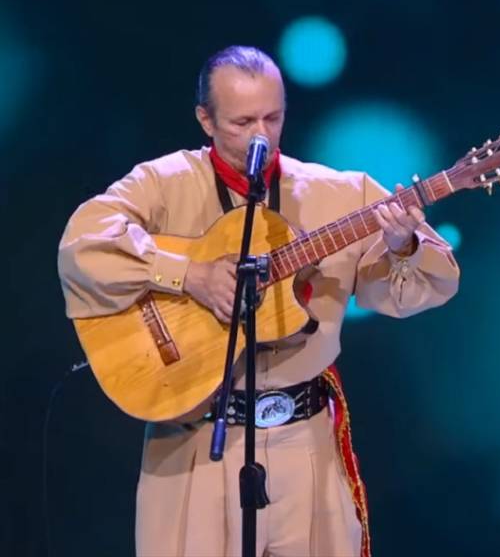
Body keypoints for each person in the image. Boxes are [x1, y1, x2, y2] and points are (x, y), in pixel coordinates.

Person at [57, 45, 460, 557]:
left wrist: (403, 245)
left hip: (305, 445)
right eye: (242, 122)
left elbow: (424, 287)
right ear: (205, 119)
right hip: (194, 443)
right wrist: (189, 275)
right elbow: (82, 247)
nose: (261, 136)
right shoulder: (162, 184)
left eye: (273, 118)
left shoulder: (343, 193)